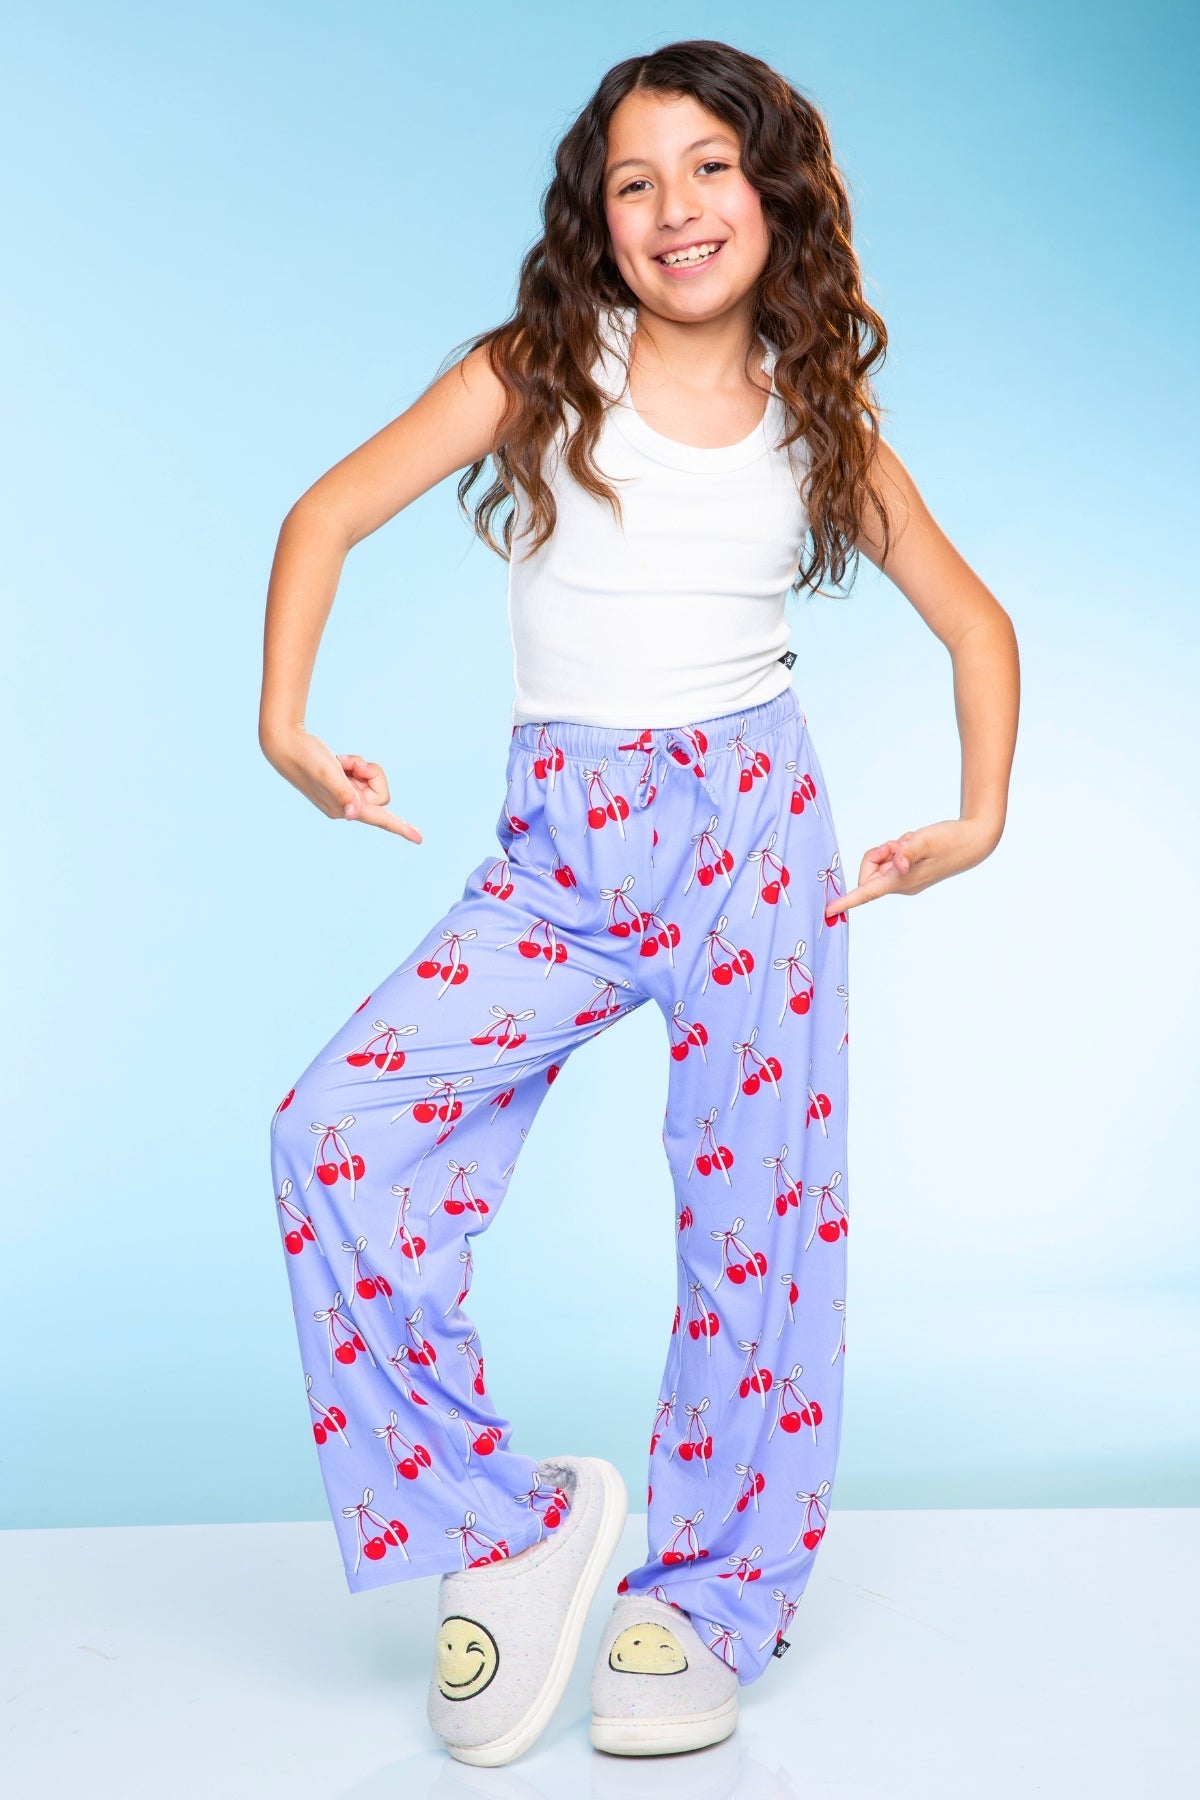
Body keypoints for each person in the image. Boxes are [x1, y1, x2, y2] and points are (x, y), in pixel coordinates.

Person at [259, 38, 1019, 1769]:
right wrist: (286, 727)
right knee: (334, 1136)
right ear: (593, 220)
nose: (675, 206)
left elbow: (977, 622)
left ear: (776, 193)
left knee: (759, 1224)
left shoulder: (820, 419)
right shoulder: (540, 370)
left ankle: (711, 1598)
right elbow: (326, 513)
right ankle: (507, 1524)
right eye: (633, 179)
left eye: (710, 168)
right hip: (564, 847)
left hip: (755, 838)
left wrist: (979, 816)